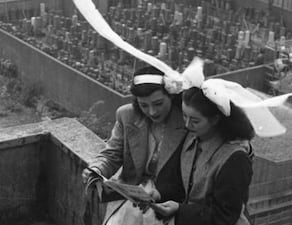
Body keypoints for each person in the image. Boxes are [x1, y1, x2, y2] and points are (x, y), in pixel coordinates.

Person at [82, 65, 187, 225]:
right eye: (144, 105)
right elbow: (112, 154)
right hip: (132, 191)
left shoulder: (186, 122)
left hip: (167, 197)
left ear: (171, 96)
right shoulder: (127, 116)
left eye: (158, 103)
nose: (152, 111)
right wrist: (97, 169)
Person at [152, 86, 255, 225]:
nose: (187, 125)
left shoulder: (235, 158)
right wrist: (158, 195)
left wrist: (180, 210)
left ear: (214, 120)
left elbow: (224, 215)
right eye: (184, 116)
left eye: (195, 121)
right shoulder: (191, 139)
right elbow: (180, 184)